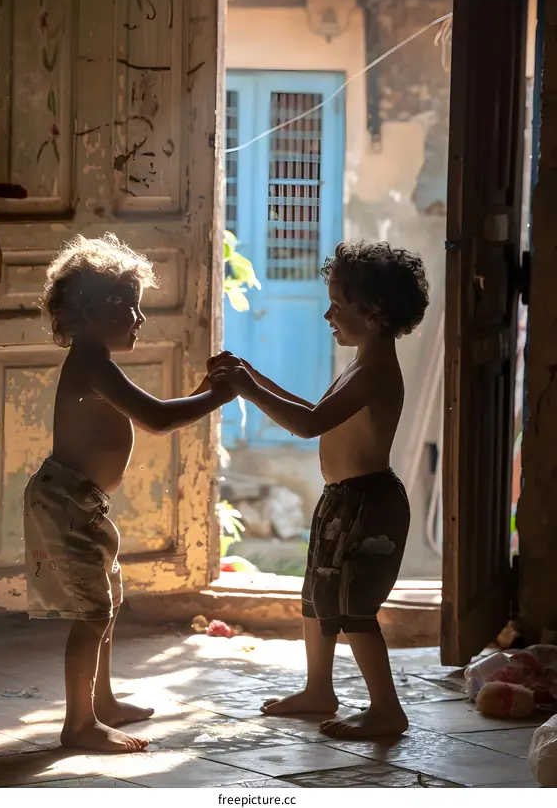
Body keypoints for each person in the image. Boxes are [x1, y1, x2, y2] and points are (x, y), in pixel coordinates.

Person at [208, 239, 429, 739]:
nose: (328, 314)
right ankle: (318, 690)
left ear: (373, 313)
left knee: (353, 607)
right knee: (318, 596)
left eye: (337, 303)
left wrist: (247, 388)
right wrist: (251, 376)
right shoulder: (360, 364)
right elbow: (312, 412)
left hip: (368, 504)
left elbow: (308, 426)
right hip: (343, 501)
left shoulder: (375, 371)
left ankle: (386, 709)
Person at [25, 233, 234, 753]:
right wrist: (218, 396)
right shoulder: (92, 364)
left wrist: (202, 393)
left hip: (81, 502)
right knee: (91, 611)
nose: (140, 319)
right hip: (68, 502)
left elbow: (156, 413)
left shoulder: (95, 361)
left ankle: (103, 702)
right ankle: (79, 724)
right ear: (92, 312)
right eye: (131, 307)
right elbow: (158, 419)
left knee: (106, 603)